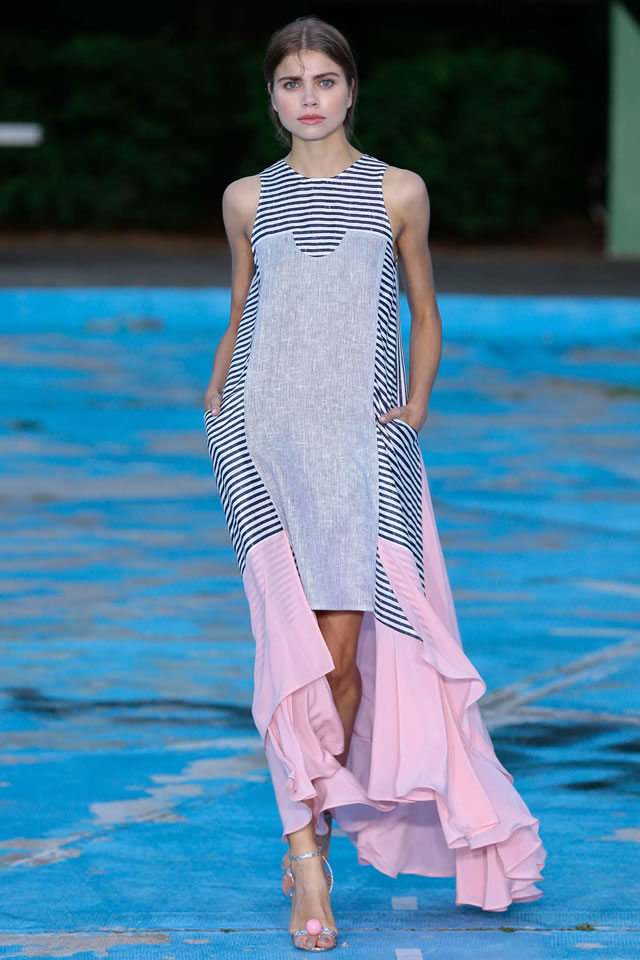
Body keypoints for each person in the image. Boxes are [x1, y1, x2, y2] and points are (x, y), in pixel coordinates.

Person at [202, 15, 546, 953]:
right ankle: (307, 856)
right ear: (272, 99)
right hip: (263, 435)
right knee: (290, 652)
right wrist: (217, 401)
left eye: (324, 80)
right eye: (290, 83)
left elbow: (425, 311)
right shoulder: (245, 199)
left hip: (363, 442)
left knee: (342, 659)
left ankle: (311, 826)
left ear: (351, 91)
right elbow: (243, 311)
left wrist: (416, 403)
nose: (308, 98)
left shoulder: (399, 191)